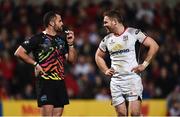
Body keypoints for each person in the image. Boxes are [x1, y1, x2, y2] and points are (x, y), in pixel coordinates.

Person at [95, 10, 159, 116]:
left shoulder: (133, 33)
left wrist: (144, 65)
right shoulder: (106, 39)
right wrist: (105, 70)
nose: (104, 25)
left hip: (132, 79)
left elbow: (154, 45)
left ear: (114, 22)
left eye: (106, 22)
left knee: (135, 113)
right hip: (116, 82)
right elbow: (98, 56)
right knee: (121, 114)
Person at [14, 11, 77, 116]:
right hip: (45, 81)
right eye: (60, 21)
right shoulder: (38, 38)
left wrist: (70, 44)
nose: (62, 23)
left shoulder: (61, 40)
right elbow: (19, 52)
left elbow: (71, 60)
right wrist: (35, 64)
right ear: (52, 23)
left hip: (60, 82)